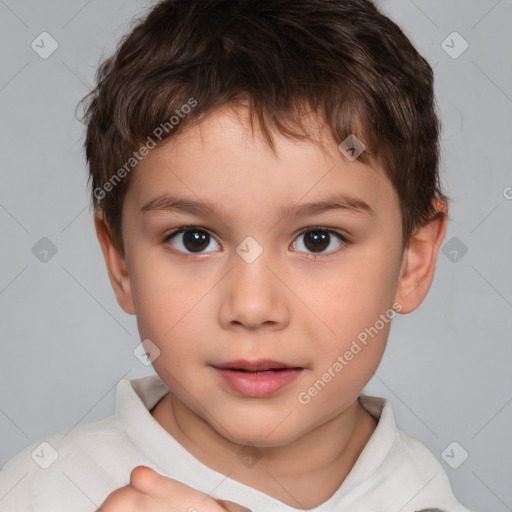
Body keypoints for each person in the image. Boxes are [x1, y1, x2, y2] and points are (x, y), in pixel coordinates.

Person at [0, 0, 473, 510]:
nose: (252, 307)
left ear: (412, 260)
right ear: (120, 262)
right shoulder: (43, 490)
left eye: (318, 239)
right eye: (194, 239)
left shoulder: (425, 496)